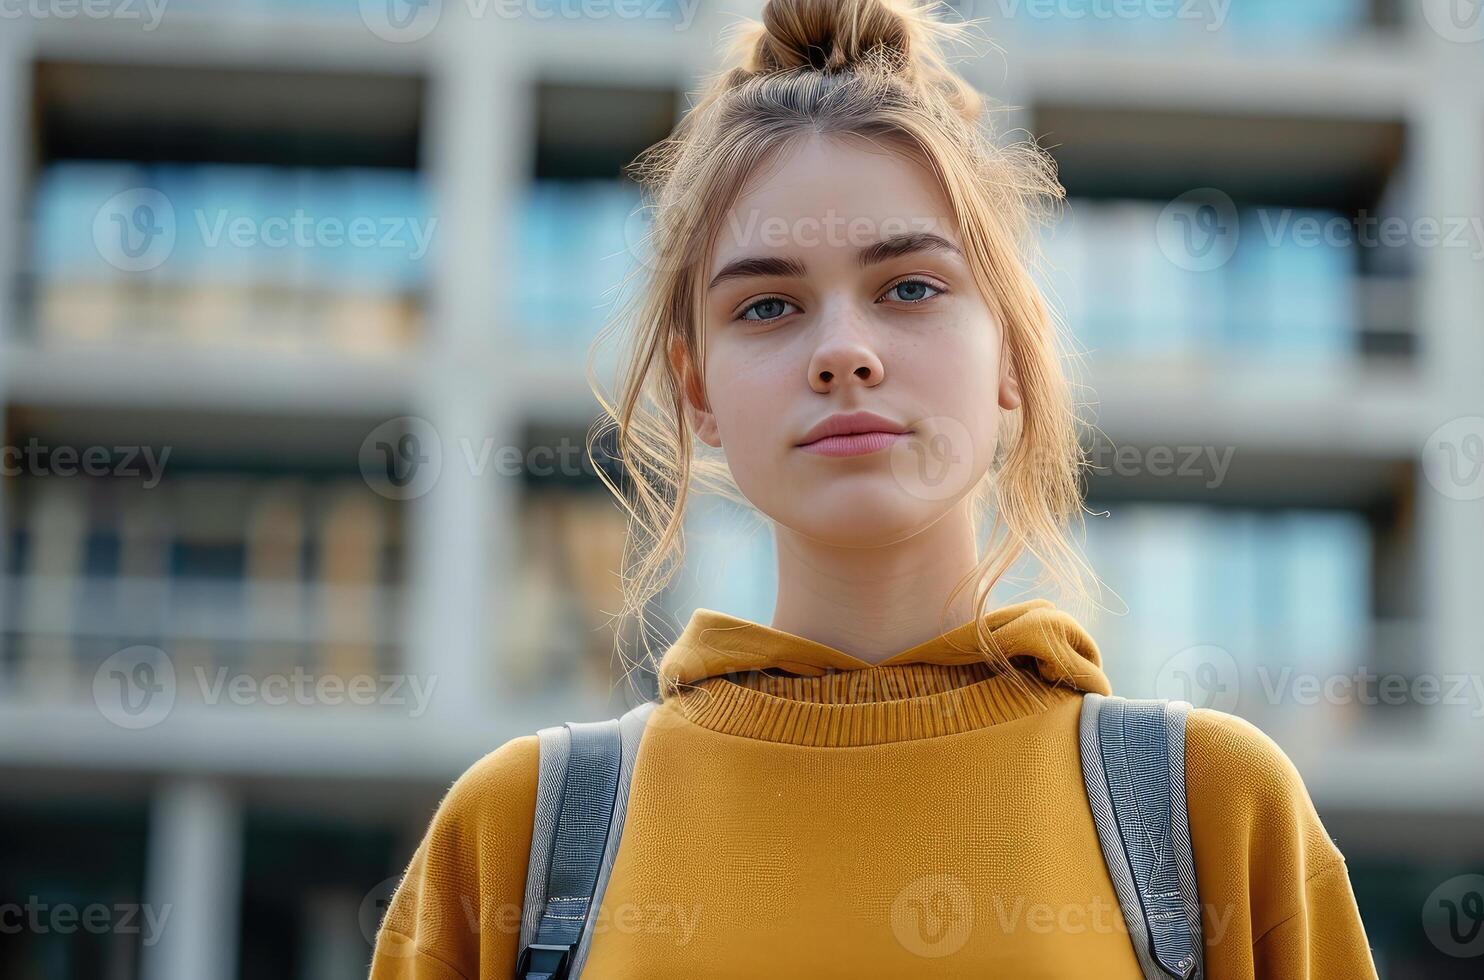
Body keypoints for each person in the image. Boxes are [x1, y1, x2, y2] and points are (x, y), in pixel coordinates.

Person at [369, 0, 1379, 976]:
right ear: (697, 390)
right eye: (768, 304)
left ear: (1010, 360)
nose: (844, 351)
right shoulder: (520, 839)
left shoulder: (1210, 812)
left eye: (910, 287)